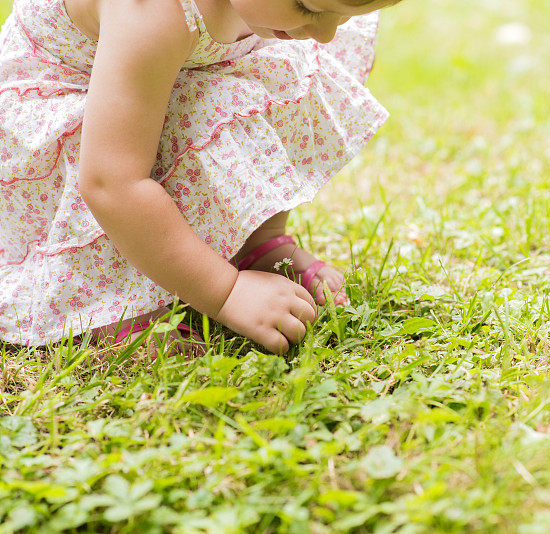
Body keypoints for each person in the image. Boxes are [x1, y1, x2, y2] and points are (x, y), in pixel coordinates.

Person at [0, 0, 395, 355]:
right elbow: (110, 183)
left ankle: (256, 246)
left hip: (164, 79)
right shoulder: (149, 13)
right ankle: (112, 302)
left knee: (280, 69)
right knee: (149, 145)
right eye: (307, 7)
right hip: (75, 120)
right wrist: (225, 293)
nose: (327, 32)